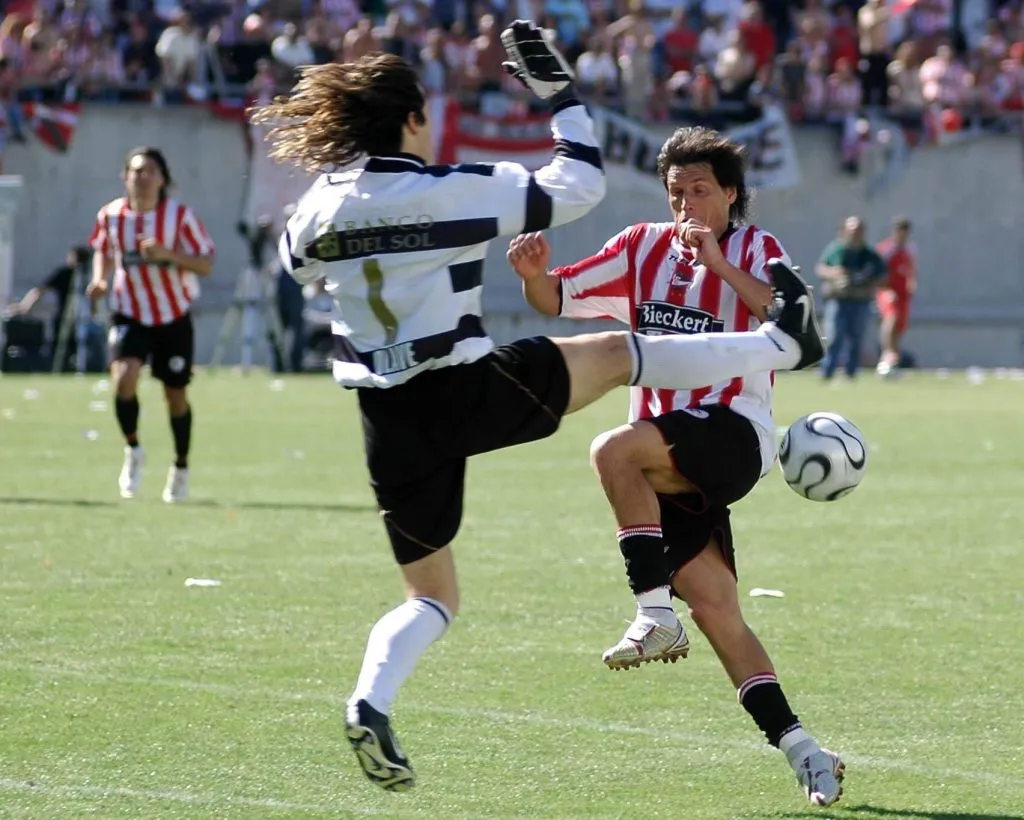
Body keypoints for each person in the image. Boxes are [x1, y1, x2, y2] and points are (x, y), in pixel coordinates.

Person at [256, 25, 824, 793]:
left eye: (699, 188)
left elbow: (291, 262)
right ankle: (779, 352)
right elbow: (577, 186)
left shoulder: (316, 211)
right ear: (415, 119)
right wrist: (561, 98)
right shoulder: (450, 189)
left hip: (386, 421)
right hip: (466, 388)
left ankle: (370, 697)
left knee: (432, 597)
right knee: (624, 358)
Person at [507, 125, 844, 809]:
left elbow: (789, 324)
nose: (686, 204)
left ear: (731, 194)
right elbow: (555, 301)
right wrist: (534, 276)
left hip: (733, 435)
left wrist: (717, 263)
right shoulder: (639, 248)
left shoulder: (757, 248)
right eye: (675, 192)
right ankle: (807, 751)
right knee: (722, 614)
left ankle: (653, 613)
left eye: (699, 191)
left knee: (611, 449)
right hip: (670, 460)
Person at [86, 147, 215, 503]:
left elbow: (206, 264)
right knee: (123, 380)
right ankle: (134, 449)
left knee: (175, 395)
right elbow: (102, 248)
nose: (142, 177)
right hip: (129, 311)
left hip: (172, 315)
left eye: (151, 170)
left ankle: (181, 466)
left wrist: (168, 255)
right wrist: (99, 279)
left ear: (163, 178)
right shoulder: (111, 215)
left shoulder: (180, 217)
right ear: (125, 176)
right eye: (136, 170)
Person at [7, 245, 105, 371]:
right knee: (60, 347)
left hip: (82, 319)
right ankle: (58, 368)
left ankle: (82, 368)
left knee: (83, 345)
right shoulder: (66, 274)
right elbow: (40, 290)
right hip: (65, 318)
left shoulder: (89, 276)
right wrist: (24, 306)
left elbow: (39, 290)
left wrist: (24, 306)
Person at [815, 215, 886, 380]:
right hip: (838, 299)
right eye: (852, 231)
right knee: (834, 336)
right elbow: (821, 268)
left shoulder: (869, 254)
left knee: (856, 338)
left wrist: (868, 282)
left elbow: (882, 275)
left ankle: (851, 372)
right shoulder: (836, 250)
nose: (855, 234)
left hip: (860, 300)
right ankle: (828, 371)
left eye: (858, 231)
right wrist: (836, 274)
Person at [874, 217, 916, 377]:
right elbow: (879, 271)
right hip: (888, 292)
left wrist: (912, 282)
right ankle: (887, 354)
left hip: (903, 294)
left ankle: (893, 362)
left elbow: (910, 269)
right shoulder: (886, 249)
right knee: (891, 319)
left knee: (899, 327)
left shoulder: (908, 250)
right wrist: (884, 288)